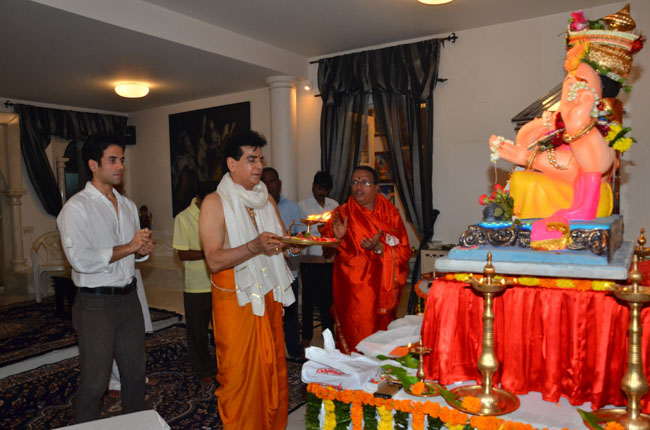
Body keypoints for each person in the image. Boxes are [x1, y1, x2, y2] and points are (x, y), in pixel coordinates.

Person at [489, 5, 644, 246]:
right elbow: (524, 143)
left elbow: (581, 169)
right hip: (553, 190)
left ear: (601, 92)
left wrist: (528, 157)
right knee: (522, 181)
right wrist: (538, 127)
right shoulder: (559, 120)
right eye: (568, 80)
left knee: (527, 182)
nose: (570, 85)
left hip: (584, 201)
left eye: (580, 81)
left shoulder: (602, 128)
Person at [198, 130, 302, 430]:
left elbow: (280, 243)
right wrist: (254, 247)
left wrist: (293, 246)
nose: (259, 166)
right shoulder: (214, 203)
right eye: (251, 159)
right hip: (236, 299)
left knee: (271, 368)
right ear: (231, 163)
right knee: (238, 374)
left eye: (261, 159)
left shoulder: (265, 199)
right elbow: (214, 260)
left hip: (268, 296)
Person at [56, 134, 154, 423]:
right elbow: (80, 260)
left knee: (135, 374)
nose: (120, 166)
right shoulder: (76, 208)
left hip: (129, 299)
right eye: (112, 160)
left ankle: (134, 425)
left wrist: (141, 251)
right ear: (93, 165)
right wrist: (130, 247)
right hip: (96, 304)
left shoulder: (128, 205)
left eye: (121, 160)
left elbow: (131, 256)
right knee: (95, 382)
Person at [320, 166, 411, 354]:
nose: (358, 187)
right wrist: (336, 239)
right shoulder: (342, 213)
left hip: (382, 286)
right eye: (354, 182)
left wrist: (380, 248)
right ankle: (355, 369)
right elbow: (326, 253)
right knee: (357, 334)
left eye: (365, 182)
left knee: (380, 338)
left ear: (377, 188)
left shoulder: (390, 213)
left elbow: (404, 252)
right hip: (352, 289)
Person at [173, 181, 217, 382]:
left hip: (219, 282)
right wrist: (210, 254)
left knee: (222, 330)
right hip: (197, 286)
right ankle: (203, 369)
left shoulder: (218, 214)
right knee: (197, 332)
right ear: (198, 199)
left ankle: (223, 365)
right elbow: (182, 253)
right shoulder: (183, 218)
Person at [261, 167, 306, 360]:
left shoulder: (292, 206)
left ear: (279, 183)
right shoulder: (257, 207)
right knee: (270, 315)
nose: (269, 185)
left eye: (272, 181)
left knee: (291, 313)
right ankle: (271, 351)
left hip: (290, 270)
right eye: (265, 181)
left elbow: (300, 233)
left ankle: (294, 350)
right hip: (267, 271)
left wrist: (296, 243)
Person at [298, 171, 338, 348]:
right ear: (314, 186)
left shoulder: (334, 205)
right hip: (310, 258)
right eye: (320, 188)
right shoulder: (303, 206)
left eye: (326, 189)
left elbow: (337, 229)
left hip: (328, 259)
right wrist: (319, 230)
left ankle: (328, 333)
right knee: (308, 299)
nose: (323, 192)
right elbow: (301, 232)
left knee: (328, 300)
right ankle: (306, 335)